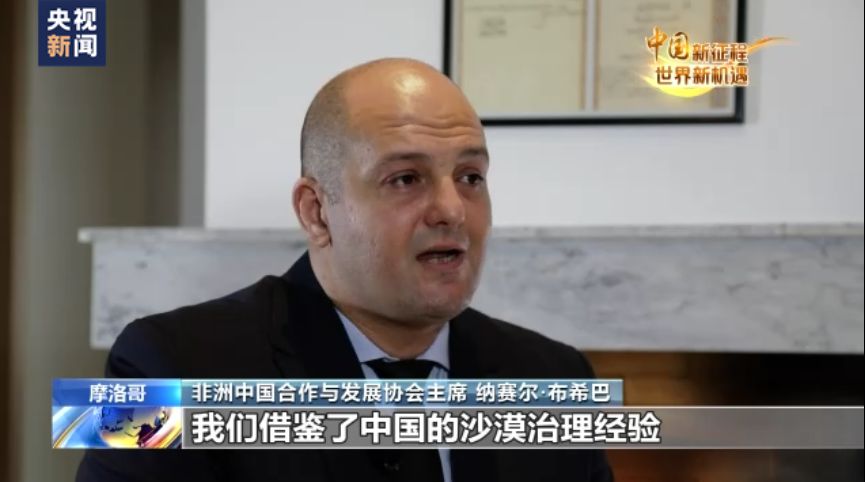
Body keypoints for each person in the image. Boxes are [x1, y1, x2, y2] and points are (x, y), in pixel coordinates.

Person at [76, 58, 613, 482]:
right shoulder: (161, 367)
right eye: (406, 179)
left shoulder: (556, 377)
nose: (452, 210)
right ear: (316, 212)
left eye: (470, 177)